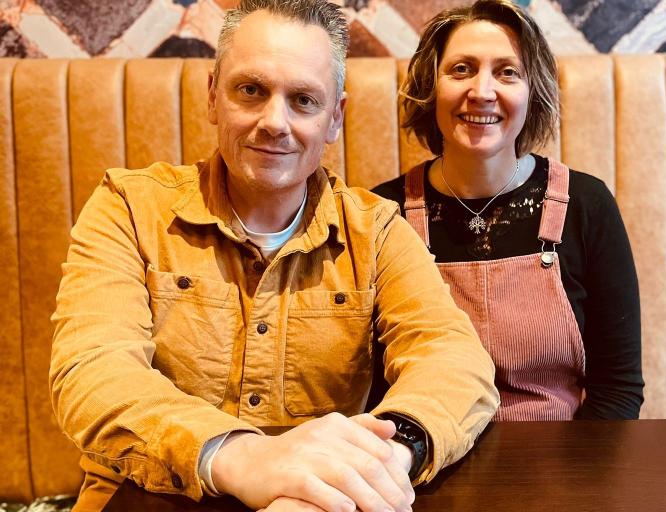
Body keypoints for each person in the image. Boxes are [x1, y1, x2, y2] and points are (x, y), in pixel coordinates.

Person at [49, 1, 499, 511]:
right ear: (213, 95)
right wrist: (246, 457)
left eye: (304, 100)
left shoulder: (375, 231)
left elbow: (454, 360)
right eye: (251, 91)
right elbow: (92, 372)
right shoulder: (129, 207)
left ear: (335, 118)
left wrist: (386, 459)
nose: (274, 122)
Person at [373, 0, 643, 422]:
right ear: (431, 86)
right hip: (428, 468)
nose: (482, 92)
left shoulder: (586, 205)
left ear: (533, 93)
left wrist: (575, 483)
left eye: (507, 72)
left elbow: (618, 390)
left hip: (564, 467)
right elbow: (372, 390)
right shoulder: (383, 214)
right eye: (461, 69)